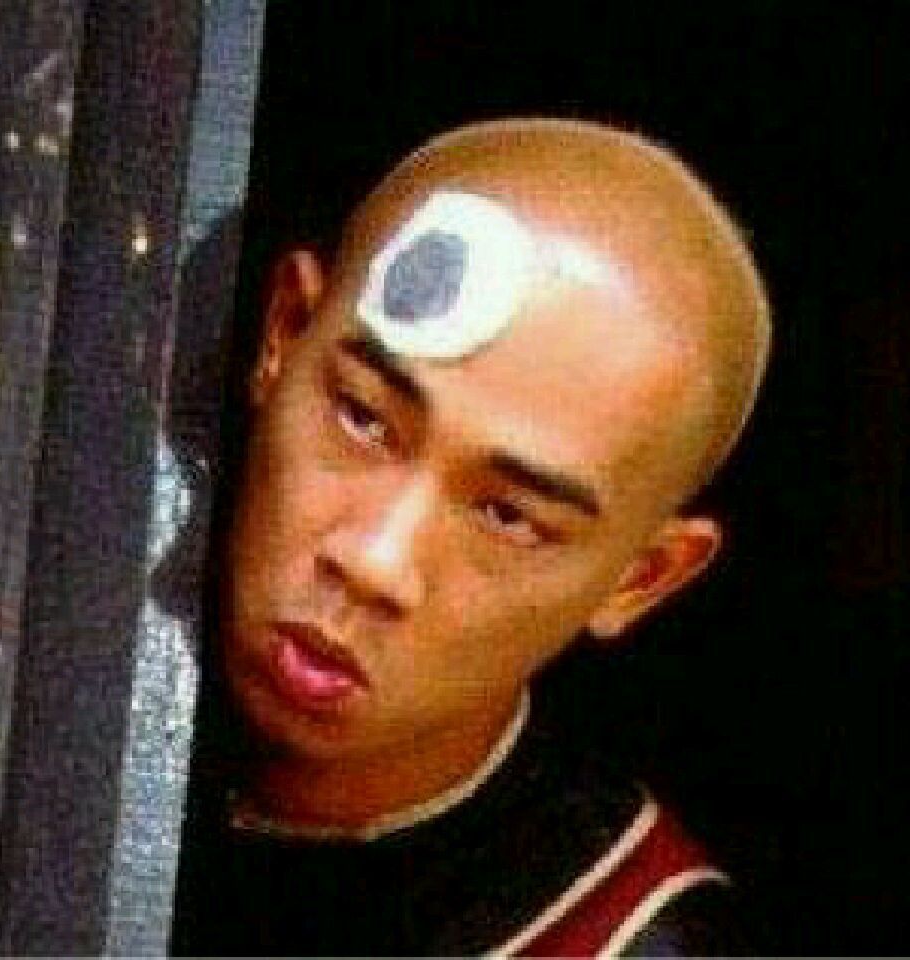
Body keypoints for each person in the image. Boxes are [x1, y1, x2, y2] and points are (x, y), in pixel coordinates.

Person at [170, 117, 770, 956]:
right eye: (364, 419)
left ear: (641, 579)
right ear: (284, 331)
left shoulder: (615, 935)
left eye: (509, 516)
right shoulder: (27, 626)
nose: (375, 561)